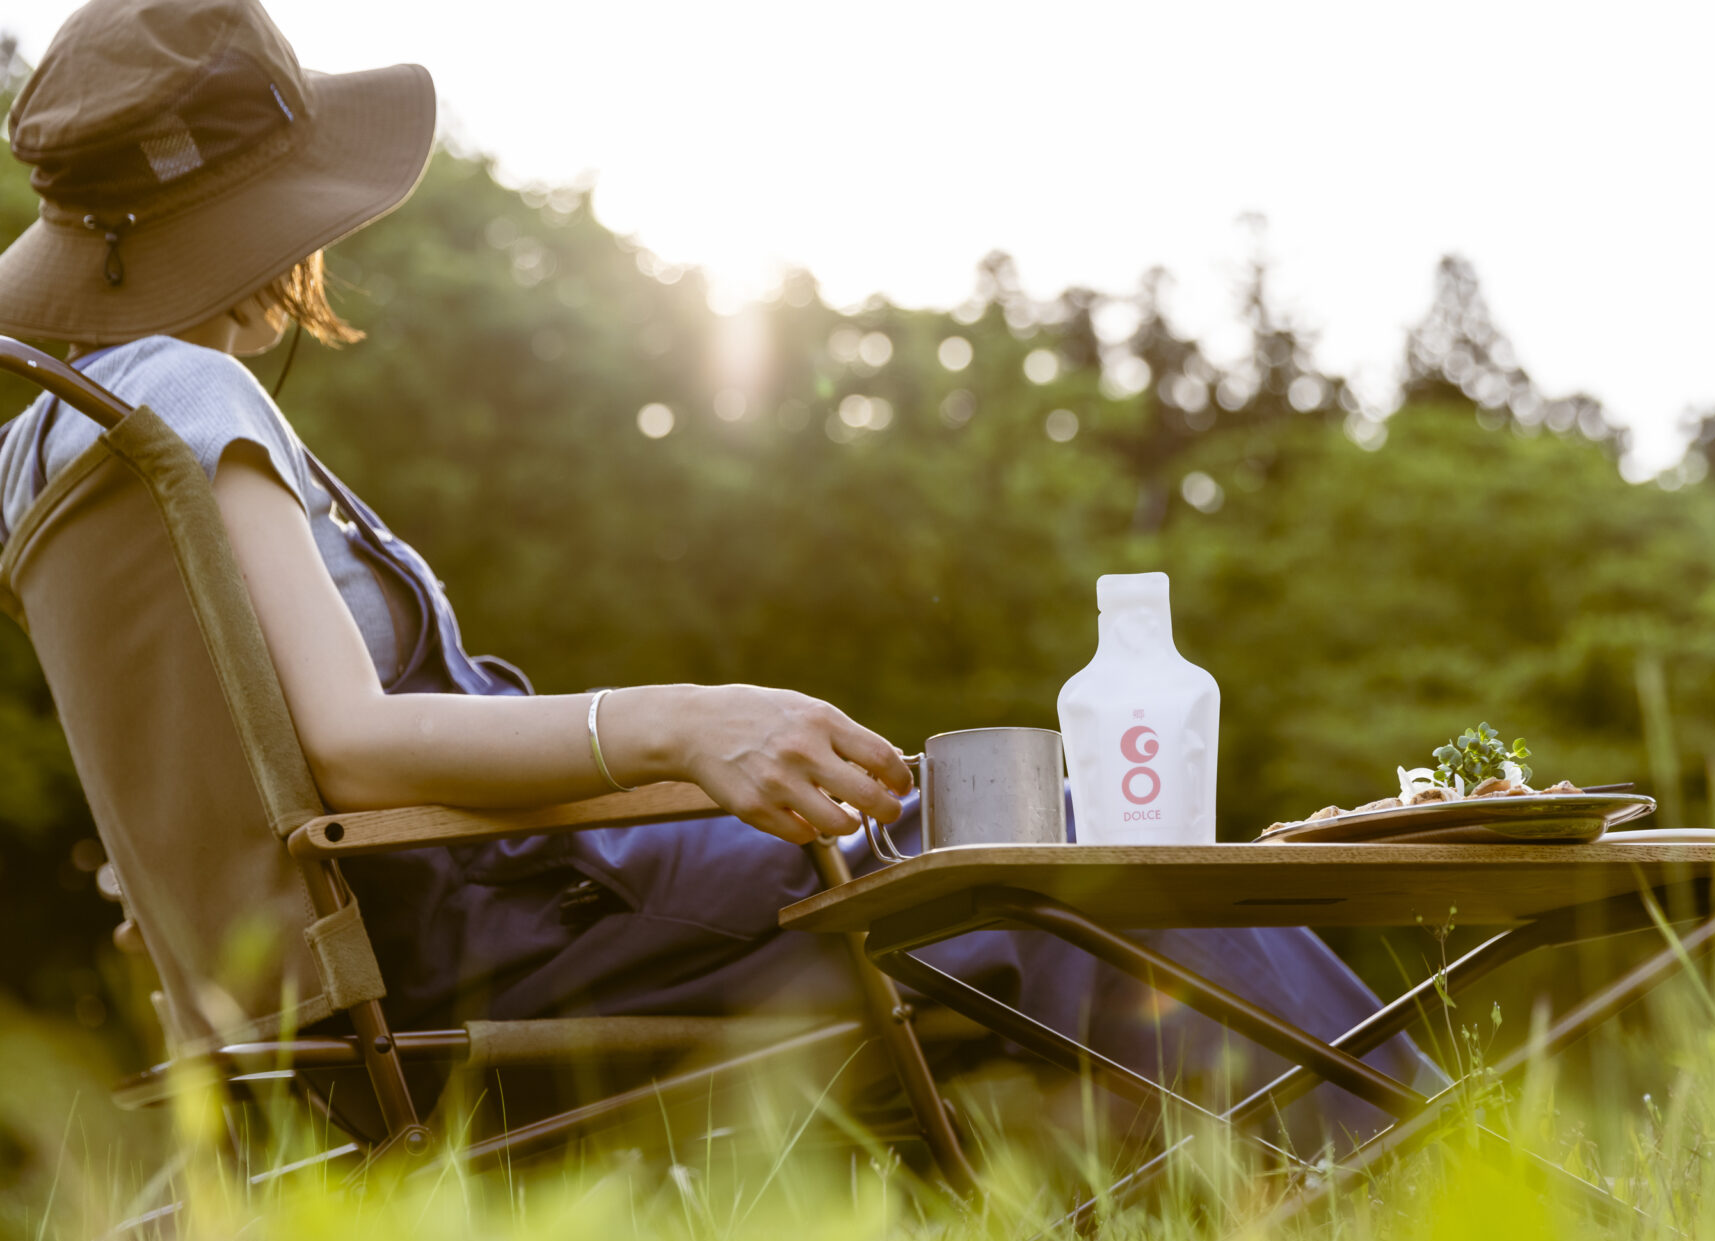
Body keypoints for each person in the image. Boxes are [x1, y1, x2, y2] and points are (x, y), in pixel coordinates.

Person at [0, 0, 1436, 1151]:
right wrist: (682, 720)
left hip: (390, 971)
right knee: (1023, 863)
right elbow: (350, 745)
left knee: (986, 857)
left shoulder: (55, 450)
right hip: (502, 946)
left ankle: (1278, 1197)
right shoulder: (186, 401)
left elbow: (213, 788)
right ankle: (1424, 1178)